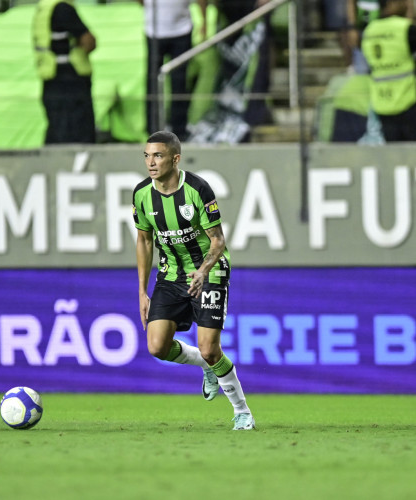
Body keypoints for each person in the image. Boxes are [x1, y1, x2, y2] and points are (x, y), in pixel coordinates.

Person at [132, 130, 254, 431]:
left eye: (157, 155)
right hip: (171, 273)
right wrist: (142, 291)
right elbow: (144, 241)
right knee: (157, 346)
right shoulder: (141, 194)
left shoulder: (198, 189)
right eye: (147, 155)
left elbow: (217, 240)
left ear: (175, 158)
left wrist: (202, 271)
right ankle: (206, 367)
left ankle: (242, 411)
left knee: (211, 348)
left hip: (208, 270)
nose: (150, 162)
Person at [140, 0, 207, 138]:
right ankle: (153, 127)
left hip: (181, 30)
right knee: (153, 81)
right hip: (155, 31)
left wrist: (204, 20)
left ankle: (179, 128)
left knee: (180, 82)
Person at [33, 0, 97, 144]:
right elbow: (89, 41)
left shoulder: (43, 7)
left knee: (57, 133)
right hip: (71, 82)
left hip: (50, 79)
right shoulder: (63, 8)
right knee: (79, 135)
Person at [361, 0, 416, 141]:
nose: (407, 4)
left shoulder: (369, 30)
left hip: (381, 101)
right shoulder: (405, 28)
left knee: (394, 155)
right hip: (408, 100)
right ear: (392, 2)